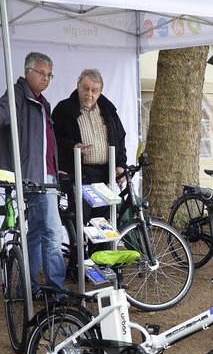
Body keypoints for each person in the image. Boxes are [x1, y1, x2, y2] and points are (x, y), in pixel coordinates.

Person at [0, 51, 68, 299]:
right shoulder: (18, 94)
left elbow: (44, 142)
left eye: (50, 75)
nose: (46, 79)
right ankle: (56, 291)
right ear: (28, 71)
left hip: (46, 175)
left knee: (38, 232)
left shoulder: (41, 100)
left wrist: (53, 167)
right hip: (34, 177)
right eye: (42, 73)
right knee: (52, 231)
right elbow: (3, 114)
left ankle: (24, 288)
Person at [52, 68, 127, 227]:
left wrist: (120, 165)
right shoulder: (64, 109)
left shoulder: (108, 110)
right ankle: (80, 252)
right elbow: (53, 139)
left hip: (105, 174)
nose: (89, 94)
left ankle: (99, 252)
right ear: (78, 86)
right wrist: (73, 146)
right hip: (80, 174)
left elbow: (120, 138)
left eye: (94, 90)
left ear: (100, 91)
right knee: (80, 220)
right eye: (86, 88)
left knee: (103, 223)